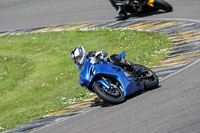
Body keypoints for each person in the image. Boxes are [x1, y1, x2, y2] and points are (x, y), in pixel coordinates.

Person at [71, 46, 140, 74]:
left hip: (106, 66)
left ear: (82, 54)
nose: (77, 60)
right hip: (99, 73)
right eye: (75, 59)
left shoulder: (90, 54)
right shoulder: (81, 67)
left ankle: (132, 66)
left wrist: (99, 57)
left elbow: (103, 53)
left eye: (77, 58)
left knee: (113, 58)